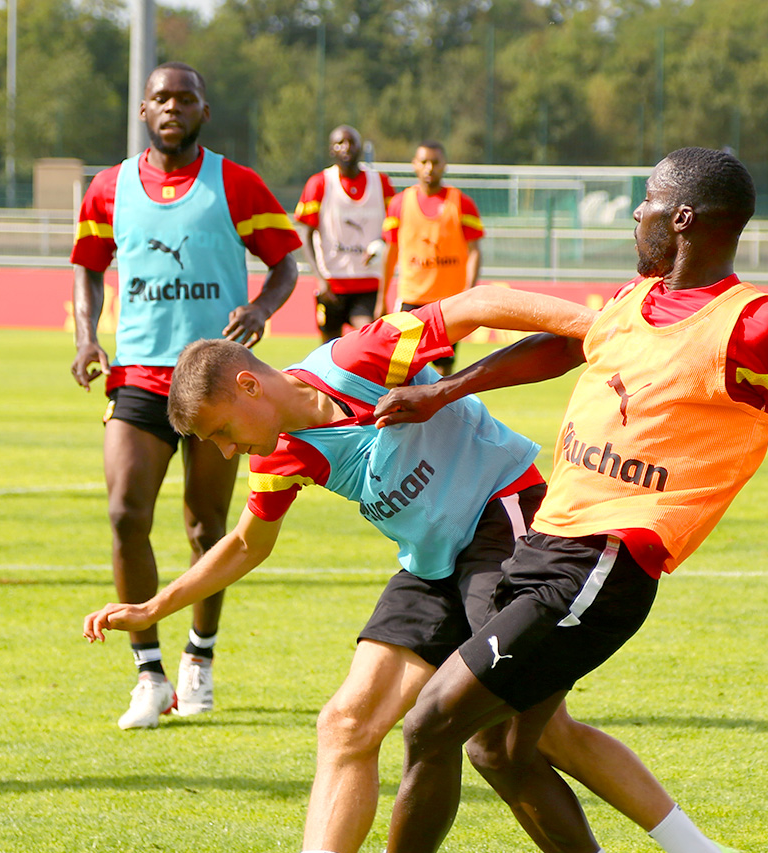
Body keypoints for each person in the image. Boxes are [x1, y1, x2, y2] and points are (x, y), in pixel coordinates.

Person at [260, 148, 768, 853]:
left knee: (434, 721)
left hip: (607, 564)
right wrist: (445, 389)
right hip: (544, 541)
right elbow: (567, 349)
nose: (635, 217)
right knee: (503, 747)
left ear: (683, 218)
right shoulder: (636, 299)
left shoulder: (761, 329)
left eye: (646, 202)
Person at [83, 286, 748, 853]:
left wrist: (602, 331)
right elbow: (249, 544)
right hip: (431, 562)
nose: (223, 452)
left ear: (249, 384)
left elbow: (478, 303)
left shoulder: (362, 355)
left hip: (503, 524)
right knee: (347, 721)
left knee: (526, 733)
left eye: (219, 432)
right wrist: (155, 607)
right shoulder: (279, 454)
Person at [70, 62, 301, 725]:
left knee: (206, 526)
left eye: (186, 98)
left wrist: (260, 310)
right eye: (161, 98)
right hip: (140, 375)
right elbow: (88, 269)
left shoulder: (236, 183)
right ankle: (148, 673)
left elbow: (286, 262)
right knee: (124, 513)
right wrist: (88, 337)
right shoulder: (108, 187)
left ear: (203, 110)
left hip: (217, 382)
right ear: (143, 110)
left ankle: (199, 657)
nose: (173, 107)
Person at [379, 141, 483, 374]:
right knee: (402, 366)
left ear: (445, 165)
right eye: (424, 162)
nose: (429, 168)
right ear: (414, 165)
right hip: (411, 300)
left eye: (435, 162)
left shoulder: (462, 203)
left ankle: (442, 410)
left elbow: (475, 250)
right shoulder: (399, 203)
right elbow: (390, 253)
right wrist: (381, 298)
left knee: (444, 368)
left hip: (448, 302)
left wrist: (468, 291)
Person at [296, 126, 395, 343]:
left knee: (370, 340)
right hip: (332, 285)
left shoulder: (382, 183)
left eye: (352, 142)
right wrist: (320, 279)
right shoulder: (319, 183)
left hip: (368, 281)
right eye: (340, 143)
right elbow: (305, 235)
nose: (346, 147)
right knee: (328, 350)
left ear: (361, 147)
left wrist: (380, 244)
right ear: (331, 150)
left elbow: (394, 229)